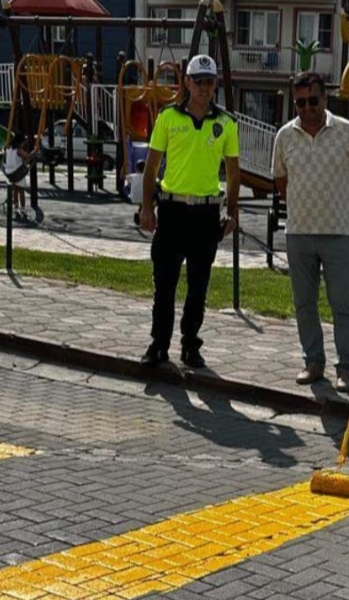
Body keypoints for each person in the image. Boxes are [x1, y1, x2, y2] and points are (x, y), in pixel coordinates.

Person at [272, 71, 349, 391]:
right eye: (300, 102)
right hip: (299, 232)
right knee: (304, 303)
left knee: (342, 303)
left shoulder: (347, 132)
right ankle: (313, 362)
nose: (306, 108)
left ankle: (345, 367)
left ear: (324, 98)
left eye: (312, 100)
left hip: (338, 234)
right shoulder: (285, 136)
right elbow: (280, 179)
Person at [138, 54, 240, 369]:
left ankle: (190, 345)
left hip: (206, 215)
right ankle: (158, 345)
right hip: (172, 210)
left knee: (198, 286)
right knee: (164, 285)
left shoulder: (226, 123)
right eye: (198, 81)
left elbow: (233, 173)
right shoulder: (168, 118)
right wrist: (147, 208)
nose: (204, 88)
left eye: (210, 82)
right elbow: (151, 166)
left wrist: (232, 212)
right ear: (187, 83)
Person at [2, 134, 35, 221]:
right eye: (23, 142)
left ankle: (16, 208)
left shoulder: (8, 148)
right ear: (20, 142)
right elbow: (28, 156)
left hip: (9, 173)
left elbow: (6, 156)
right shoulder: (18, 150)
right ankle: (23, 209)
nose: (23, 144)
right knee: (21, 190)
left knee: (15, 190)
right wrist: (35, 151)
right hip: (17, 172)